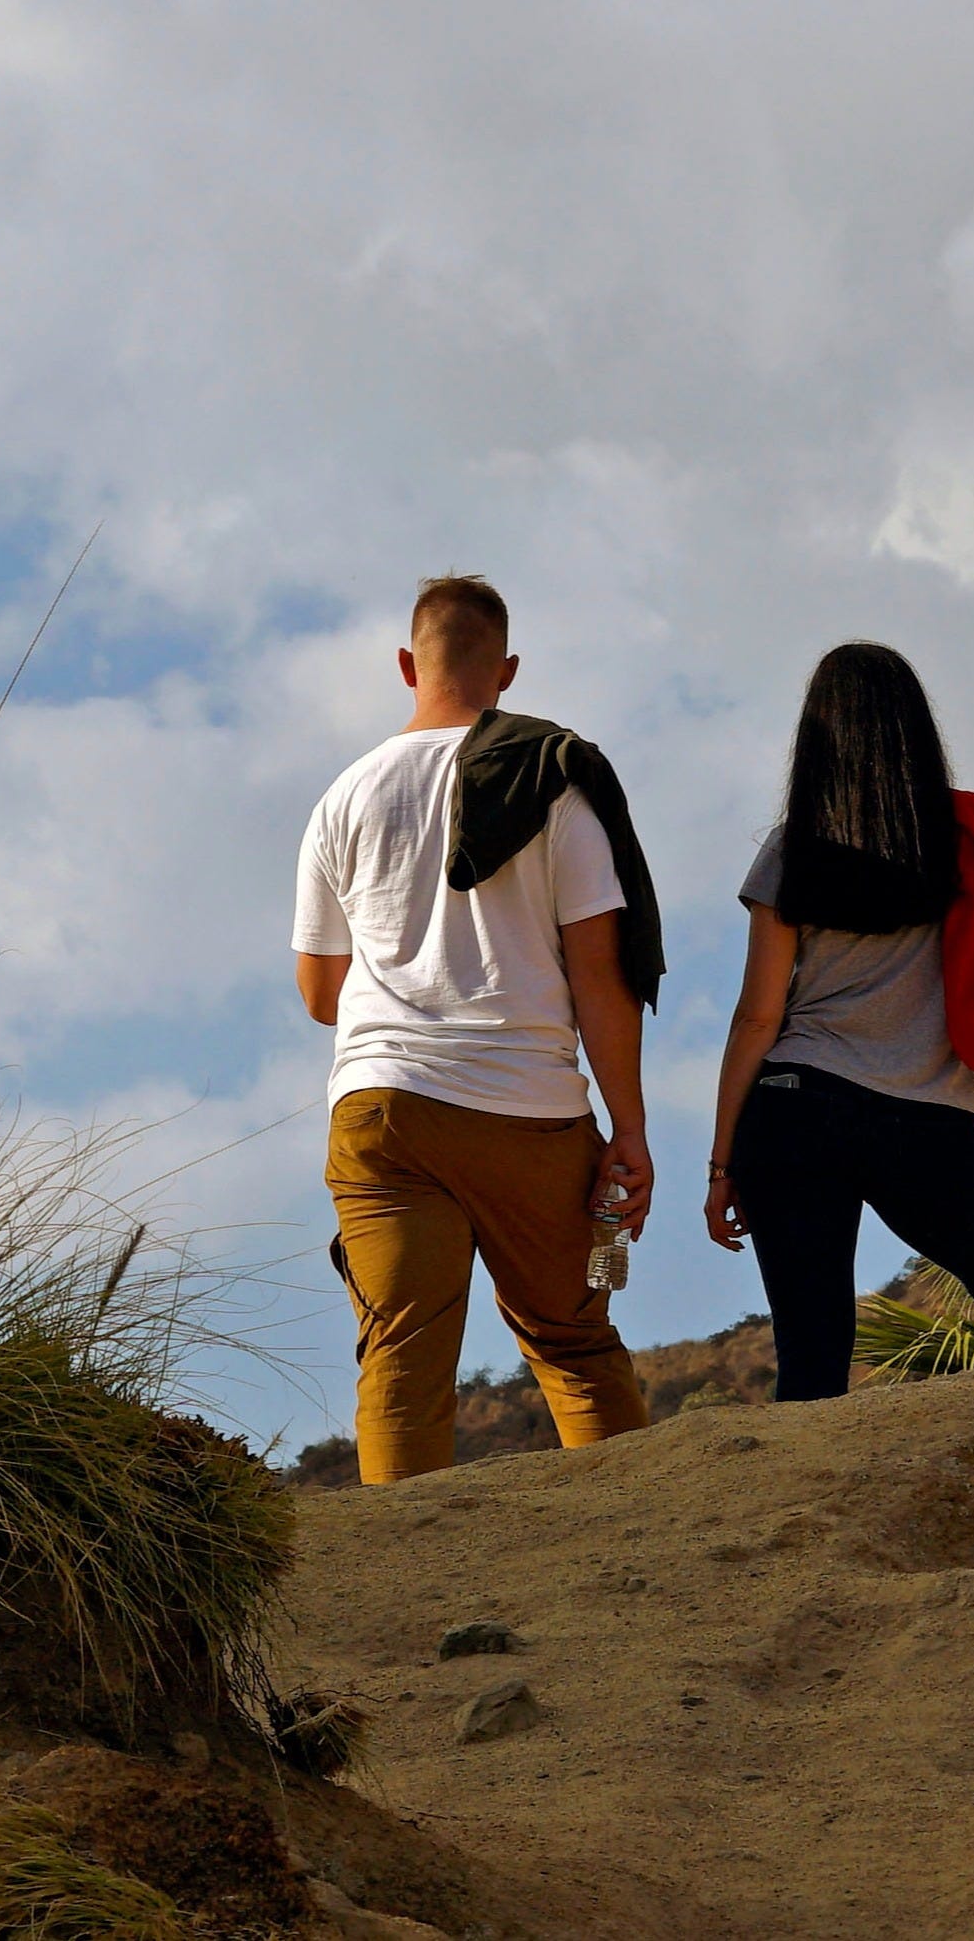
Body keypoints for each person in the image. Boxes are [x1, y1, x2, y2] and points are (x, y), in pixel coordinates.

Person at [292, 574, 670, 1481]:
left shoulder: (342, 797)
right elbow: (601, 974)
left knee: (401, 1358)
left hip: (383, 1110)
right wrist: (629, 1128)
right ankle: (633, 1548)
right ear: (505, 669)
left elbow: (318, 993)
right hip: (528, 1113)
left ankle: (398, 1584)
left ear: (403, 665)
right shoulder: (556, 787)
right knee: (572, 1343)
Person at [704, 641, 974, 1400]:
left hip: (793, 1104)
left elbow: (757, 1016)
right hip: (922, 1119)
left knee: (812, 1357)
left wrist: (722, 1162)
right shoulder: (972, 842)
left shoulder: (794, 848)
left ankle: (796, 1513)